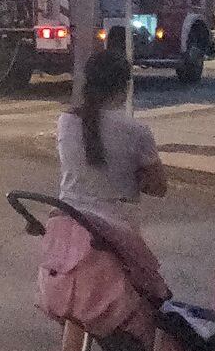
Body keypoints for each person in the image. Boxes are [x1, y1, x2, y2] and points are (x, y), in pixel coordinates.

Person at [56, 49, 167, 227]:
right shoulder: (137, 131)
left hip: (68, 222)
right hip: (115, 228)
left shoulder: (66, 121)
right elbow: (159, 187)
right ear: (124, 87)